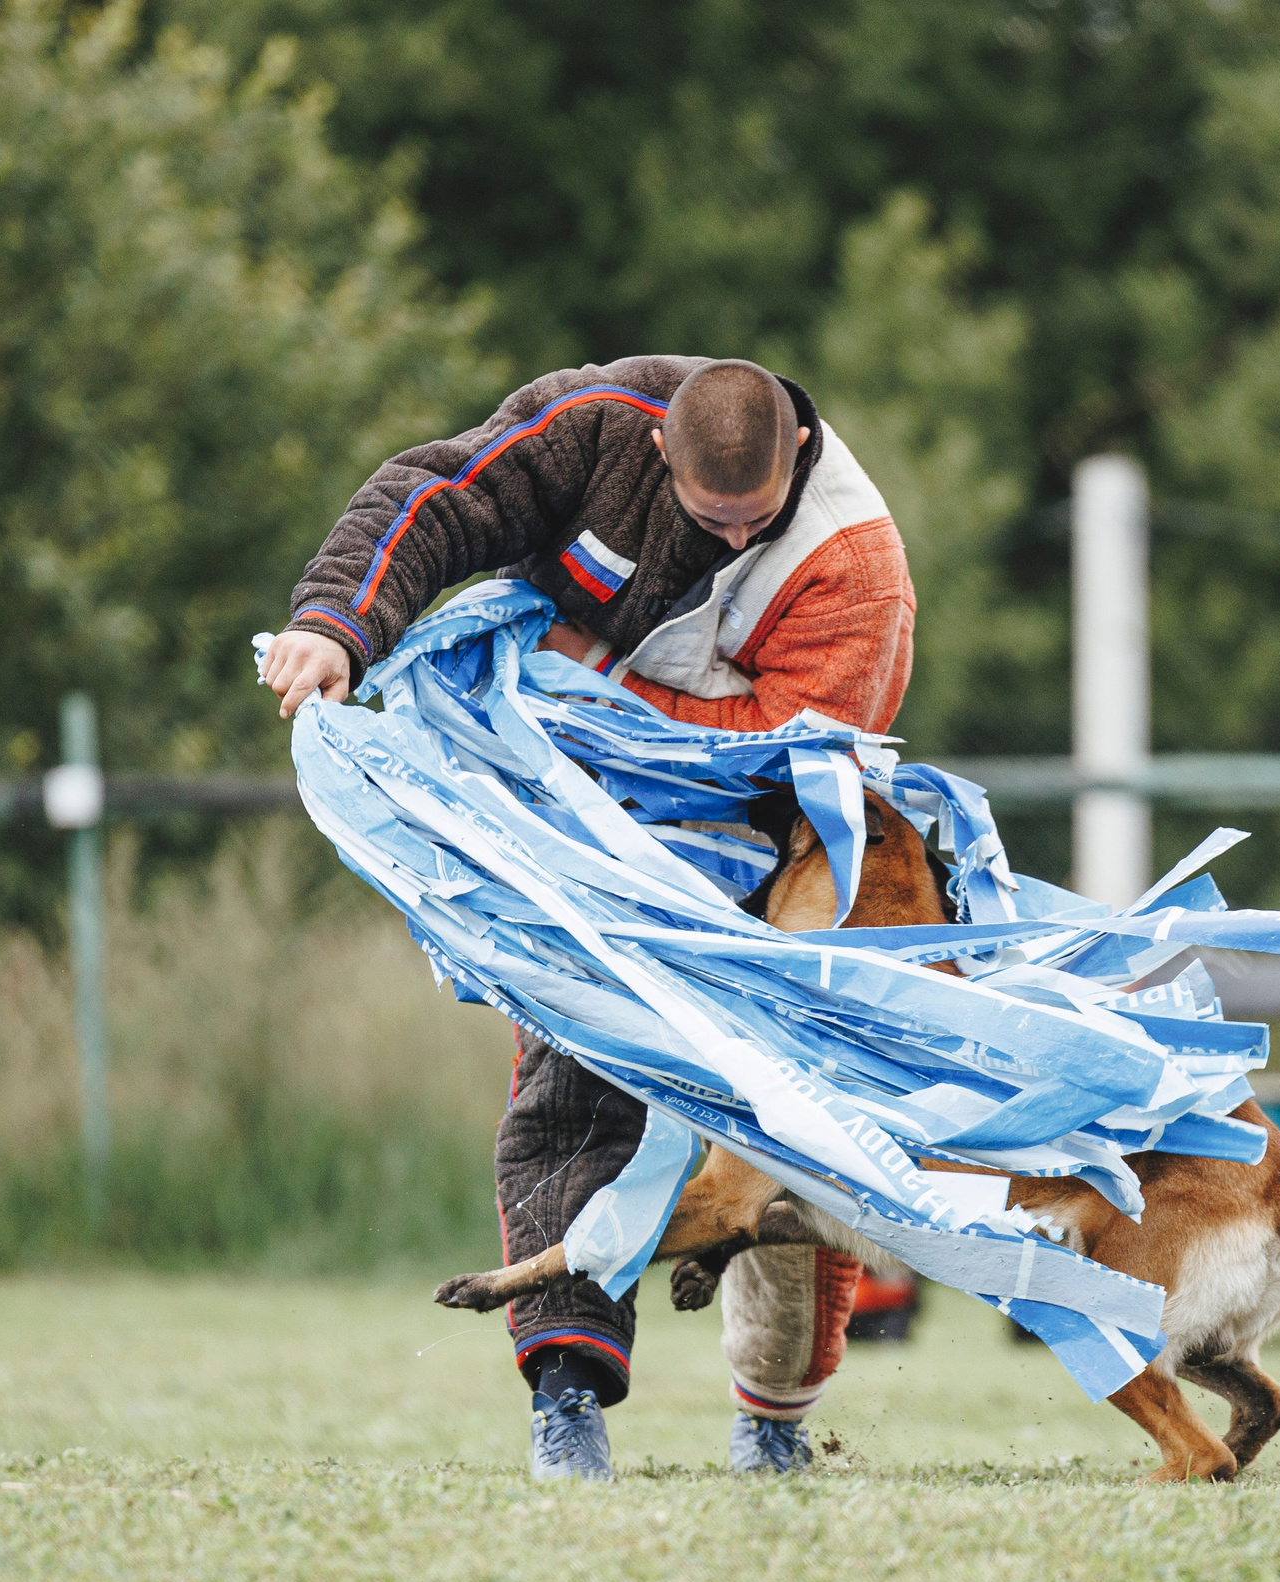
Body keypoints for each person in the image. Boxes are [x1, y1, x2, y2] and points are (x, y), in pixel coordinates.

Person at [260, 357, 917, 1482]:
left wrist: (577, 682)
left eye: (749, 522)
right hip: (581, 862)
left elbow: (779, 745)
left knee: (795, 1147)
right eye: (706, 518)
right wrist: (336, 621)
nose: (724, 541)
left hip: (769, 874)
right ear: (659, 448)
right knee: (567, 1098)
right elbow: (441, 493)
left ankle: (773, 1418)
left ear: (796, 458)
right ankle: (565, 1402)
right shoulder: (597, 425)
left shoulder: (854, 564)